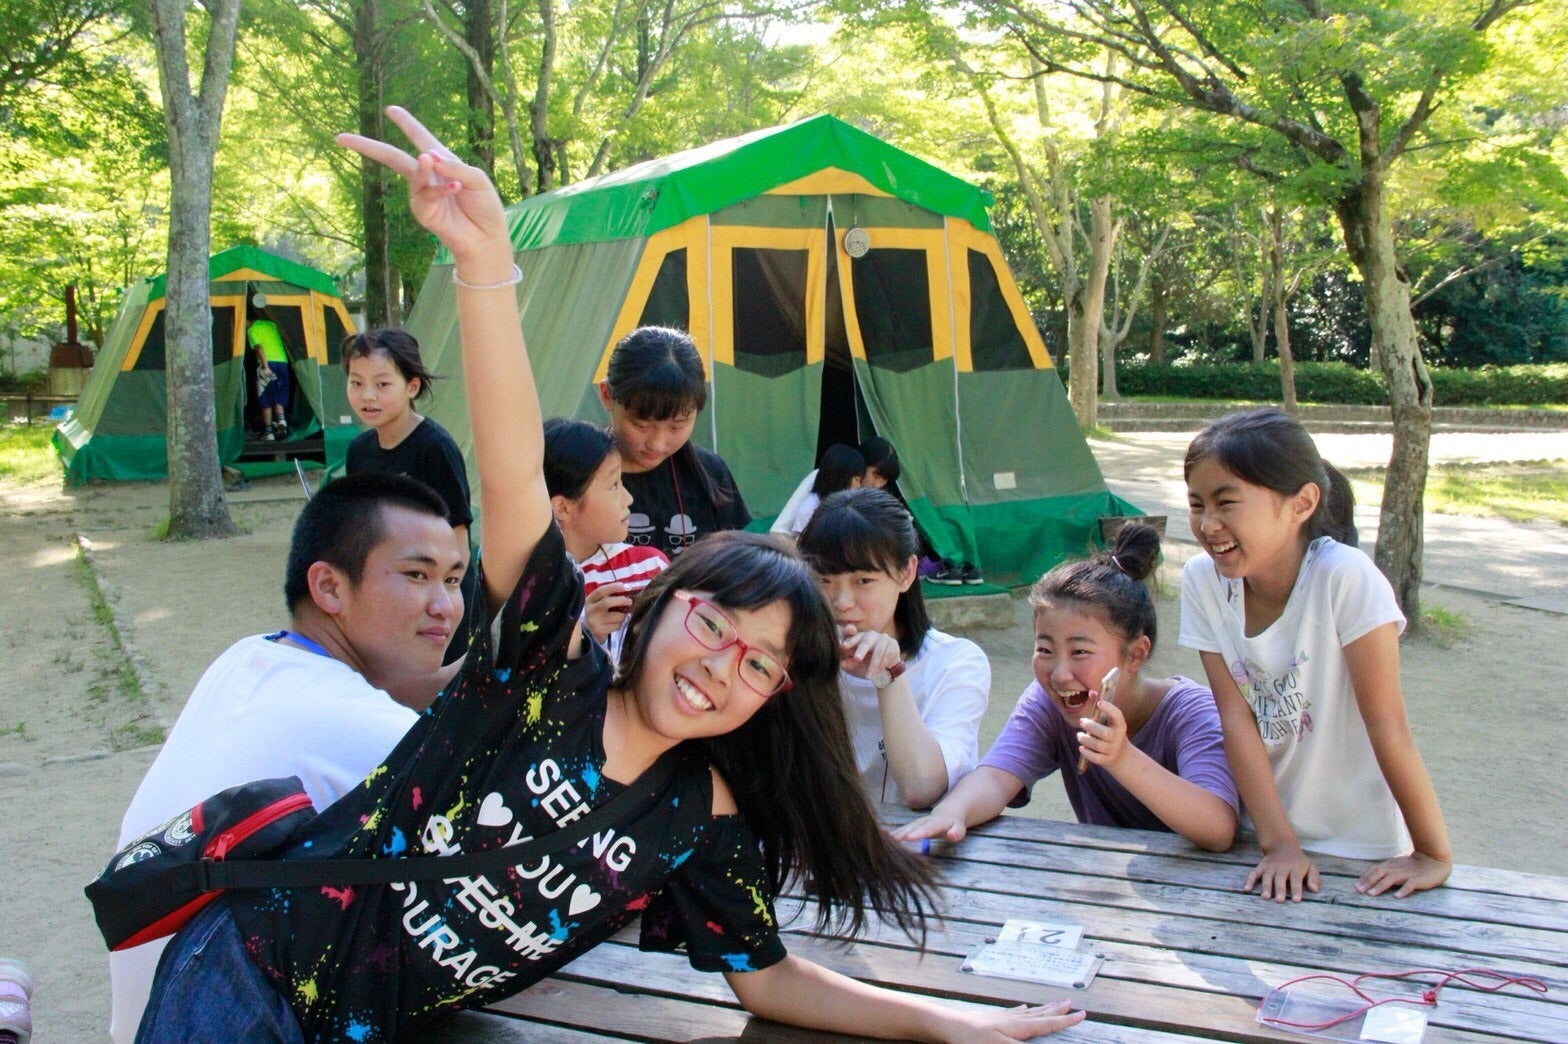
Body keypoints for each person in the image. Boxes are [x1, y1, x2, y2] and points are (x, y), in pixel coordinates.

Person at [132, 106, 1084, 1043]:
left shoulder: (697, 812)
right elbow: (514, 473)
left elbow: (769, 979)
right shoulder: (547, 669)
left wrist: (945, 1025)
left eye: (760, 664)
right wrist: (485, 266)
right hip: (251, 976)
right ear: (662, 605)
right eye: (713, 625)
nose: (722, 667)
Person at [109, 472, 463, 1043]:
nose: (444, 605)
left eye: (454, 579)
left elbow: (393, 694)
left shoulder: (250, 656)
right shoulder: (371, 730)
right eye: (417, 575)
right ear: (329, 587)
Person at [1179, 408, 1452, 901]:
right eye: (1196, 504)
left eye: (1226, 503)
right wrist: (1279, 843)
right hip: (1262, 835)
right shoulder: (1203, 580)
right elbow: (1235, 717)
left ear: (1302, 503)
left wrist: (1432, 853)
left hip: (1361, 846)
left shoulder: (1345, 577)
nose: (1208, 524)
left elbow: (1388, 724)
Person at [895, 523, 1239, 852]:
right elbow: (997, 778)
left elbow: (1218, 828)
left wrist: (1122, 758)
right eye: (1045, 650)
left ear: (1135, 654)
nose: (1059, 674)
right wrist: (952, 812)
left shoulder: (1192, 712)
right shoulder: (1049, 703)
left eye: (1080, 652)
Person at [796, 488, 988, 809]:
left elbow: (921, 786)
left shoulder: (955, 663)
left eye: (864, 581)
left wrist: (889, 675)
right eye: (824, 580)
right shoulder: (794, 657)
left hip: (914, 839)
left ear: (906, 573)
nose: (841, 602)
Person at [343, 327, 478, 665]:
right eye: (356, 383)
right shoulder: (359, 451)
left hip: (435, 604)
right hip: (388, 597)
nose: (367, 396)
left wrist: (444, 602)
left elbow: (458, 541)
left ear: (412, 387)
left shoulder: (435, 449)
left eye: (382, 384)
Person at [598, 326, 750, 556]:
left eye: (677, 426)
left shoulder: (711, 473)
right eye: (642, 425)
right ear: (607, 395)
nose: (657, 443)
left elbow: (735, 560)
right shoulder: (579, 474)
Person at [544, 416, 669, 663]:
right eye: (613, 485)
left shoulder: (649, 568)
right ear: (563, 508)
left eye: (621, 481)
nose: (628, 498)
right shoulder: (533, 586)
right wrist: (585, 634)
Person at [769, 442, 867, 541]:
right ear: (841, 478)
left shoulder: (843, 507)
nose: (859, 486)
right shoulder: (810, 509)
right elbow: (803, 546)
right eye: (856, 479)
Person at [249, 315, 292, 440]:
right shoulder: (272, 325)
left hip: (267, 364)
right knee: (278, 393)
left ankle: (269, 432)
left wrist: (265, 366)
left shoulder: (252, 329)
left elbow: (259, 347)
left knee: (265, 396)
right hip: (282, 362)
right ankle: (281, 419)